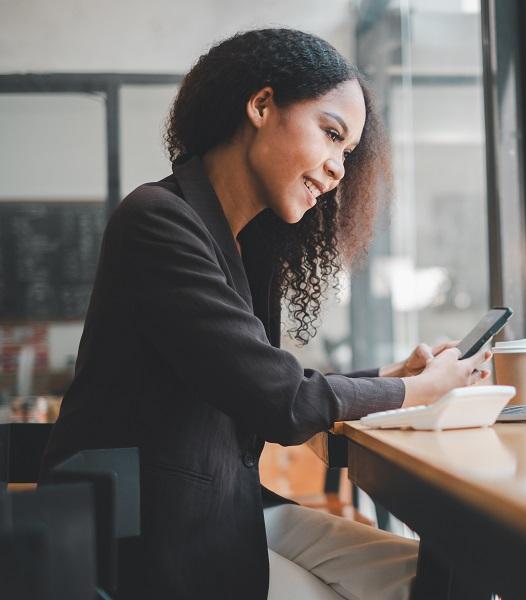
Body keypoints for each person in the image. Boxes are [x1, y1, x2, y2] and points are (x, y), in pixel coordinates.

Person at [39, 28, 492, 600]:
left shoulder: (242, 244)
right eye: (331, 135)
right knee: (425, 587)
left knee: (443, 580)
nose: (338, 171)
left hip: (222, 508)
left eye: (347, 153)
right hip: (152, 539)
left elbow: (267, 384)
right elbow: (281, 403)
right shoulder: (157, 221)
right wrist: (419, 392)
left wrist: (393, 379)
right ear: (260, 106)